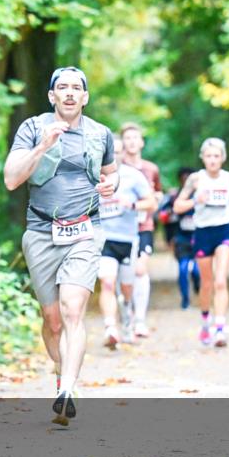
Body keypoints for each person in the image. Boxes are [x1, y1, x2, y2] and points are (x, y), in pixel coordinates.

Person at [4, 66, 118, 425]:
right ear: (51, 95)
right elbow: (11, 179)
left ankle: (67, 389)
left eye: (76, 88)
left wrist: (111, 185)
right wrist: (43, 146)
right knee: (52, 321)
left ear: (85, 97)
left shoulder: (100, 133)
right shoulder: (33, 128)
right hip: (41, 231)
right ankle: (60, 371)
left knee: (72, 310)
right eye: (62, 88)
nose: (69, 93)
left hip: (85, 230)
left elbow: (111, 172)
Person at [173, 138, 229, 347]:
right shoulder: (195, 179)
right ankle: (206, 323)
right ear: (202, 158)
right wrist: (195, 200)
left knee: (220, 281)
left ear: (223, 158)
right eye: (208, 156)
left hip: (224, 231)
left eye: (216, 156)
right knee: (206, 284)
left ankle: (220, 329)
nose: (212, 160)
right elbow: (177, 206)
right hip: (203, 233)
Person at [97, 138, 156, 349]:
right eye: (110, 152)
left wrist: (131, 204)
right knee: (107, 283)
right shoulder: (92, 175)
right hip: (103, 240)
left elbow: (151, 203)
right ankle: (110, 327)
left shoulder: (134, 176)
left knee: (126, 287)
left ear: (123, 154)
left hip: (128, 240)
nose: (114, 156)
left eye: (118, 152)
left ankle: (128, 316)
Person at [119, 122, 162, 338]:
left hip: (144, 226)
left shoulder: (151, 169)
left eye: (135, 138)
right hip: (119, 229)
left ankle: (140, 320)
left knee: (140, 270)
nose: (131, 142)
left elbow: (158, 194)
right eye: (127, 138)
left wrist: (153, 200)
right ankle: (126, 314)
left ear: (142, 142)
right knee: (122, 275)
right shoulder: (115, 167)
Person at [160, 167, 201, 309]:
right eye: (184, 179)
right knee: (183, 269)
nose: (186, 182)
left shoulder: (202, 195)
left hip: (199, 238)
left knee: (196, 270)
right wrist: (170, 214)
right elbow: (162, 215)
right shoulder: (174, 197)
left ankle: (198, 287)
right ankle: (185, 299)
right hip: (181, 238)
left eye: (189, 179)